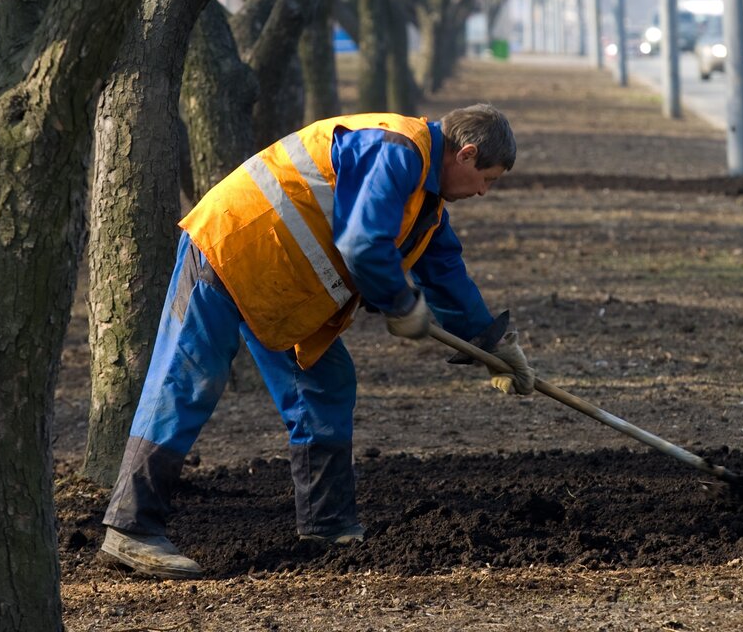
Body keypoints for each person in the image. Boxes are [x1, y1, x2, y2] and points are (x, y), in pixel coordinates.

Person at [99, 103, 535, 579]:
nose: (484, 192)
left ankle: (328, 525)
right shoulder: (396, 149)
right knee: (188, 381)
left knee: (325, 382)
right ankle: (131, 528)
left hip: (284, 283)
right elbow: (364, 242)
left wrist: (492, 343)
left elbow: (444, 270)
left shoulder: (426, 203)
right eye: (487, 179)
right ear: (467, 154)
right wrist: (401, 303)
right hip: (234, 249)